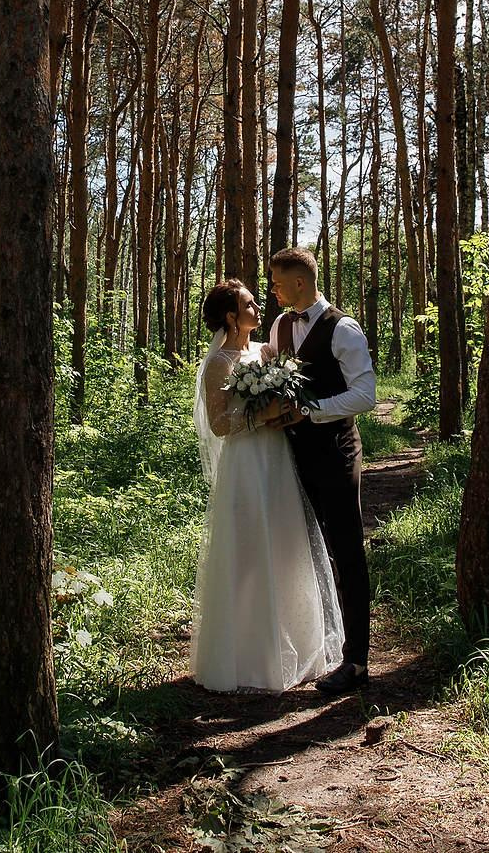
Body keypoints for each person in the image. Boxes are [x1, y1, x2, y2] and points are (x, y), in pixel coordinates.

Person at [190, 279, 344, 692]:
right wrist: (262, 416)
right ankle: (247, 654)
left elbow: (293, 391)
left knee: (285, 546)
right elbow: (220, 425)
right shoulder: (219, 363)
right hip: (245, 464)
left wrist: (284, 408)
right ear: (231, 315)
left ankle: (293, 643)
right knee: (248, 552)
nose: (258, 308)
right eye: (249, 304)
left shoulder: (266, 351)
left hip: (276, 459)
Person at [264, 246, 377, 694]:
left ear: (299, 282)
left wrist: (311, 411)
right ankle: (315, 647)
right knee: (305, 550)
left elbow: (365, 395)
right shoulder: (279, 324)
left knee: (346, 549)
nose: (272, 289)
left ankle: (358, 662)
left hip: (336, 452)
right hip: (292, 455)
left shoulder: (343, 328)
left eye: (276, 282)